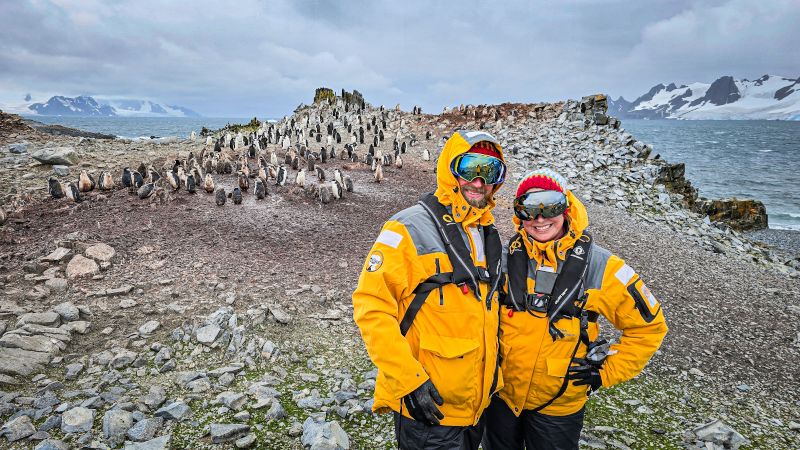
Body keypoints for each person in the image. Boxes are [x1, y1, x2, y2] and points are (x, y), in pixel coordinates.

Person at [483, 169, 668, 450]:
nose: (540, 218)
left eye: (551, 204)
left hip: (559, 407)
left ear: (567, 206)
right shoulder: (502, 258)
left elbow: (650, 328)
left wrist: (605, 372)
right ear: (519, 214)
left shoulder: (602, 266)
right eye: (529, 208)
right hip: (501, 398)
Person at [352, 130, 508, 449]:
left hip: (475, 409)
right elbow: (371, 307)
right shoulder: (407, 228)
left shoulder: (489, 236)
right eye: (469, 168)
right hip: (430, 412)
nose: (478, 181)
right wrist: (409, 380)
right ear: (450, 170)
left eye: (489, 170)